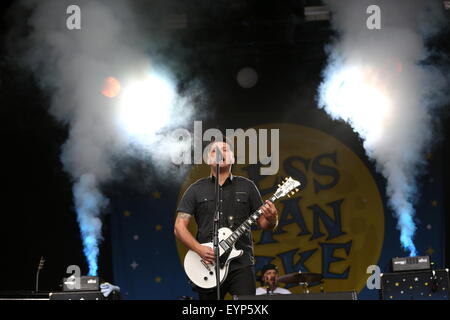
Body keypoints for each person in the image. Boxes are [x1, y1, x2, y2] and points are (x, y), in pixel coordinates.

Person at [174, 139, 279, 300]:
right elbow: (179, 227)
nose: (220, 153)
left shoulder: (247, 186)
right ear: (209, 159)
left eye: (225, 149)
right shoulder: (196, 189)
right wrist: (198, 249)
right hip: (208, 264)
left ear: (233, 158)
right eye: (214, 151)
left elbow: (264, 223)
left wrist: (273, 218)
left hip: (241, 264)